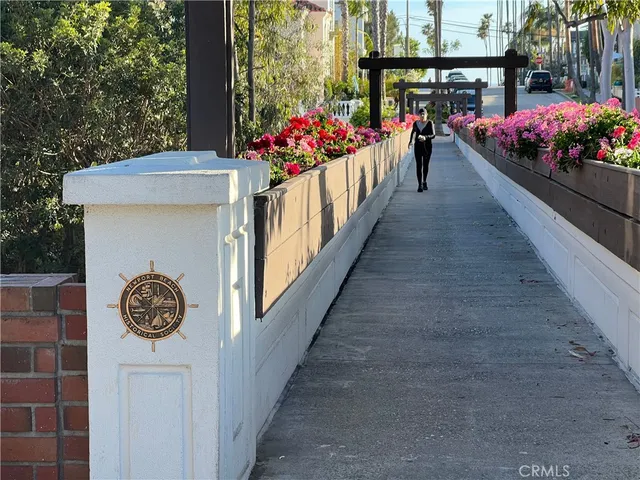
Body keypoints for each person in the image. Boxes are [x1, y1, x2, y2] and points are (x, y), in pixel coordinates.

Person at [408, 108, 435, 192]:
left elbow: (433, 135)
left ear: (426, 115)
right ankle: (419, 184)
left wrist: (425, 137)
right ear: (418, 115)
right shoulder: (416, 123)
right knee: (418, 165)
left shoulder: (430, 123)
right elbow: (413, 133)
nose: (422, 116)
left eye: (424, 114)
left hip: (427, 147)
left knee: (425, 165)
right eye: (421, 114)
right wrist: (410, 142)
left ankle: (424, 181)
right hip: (418, 147)